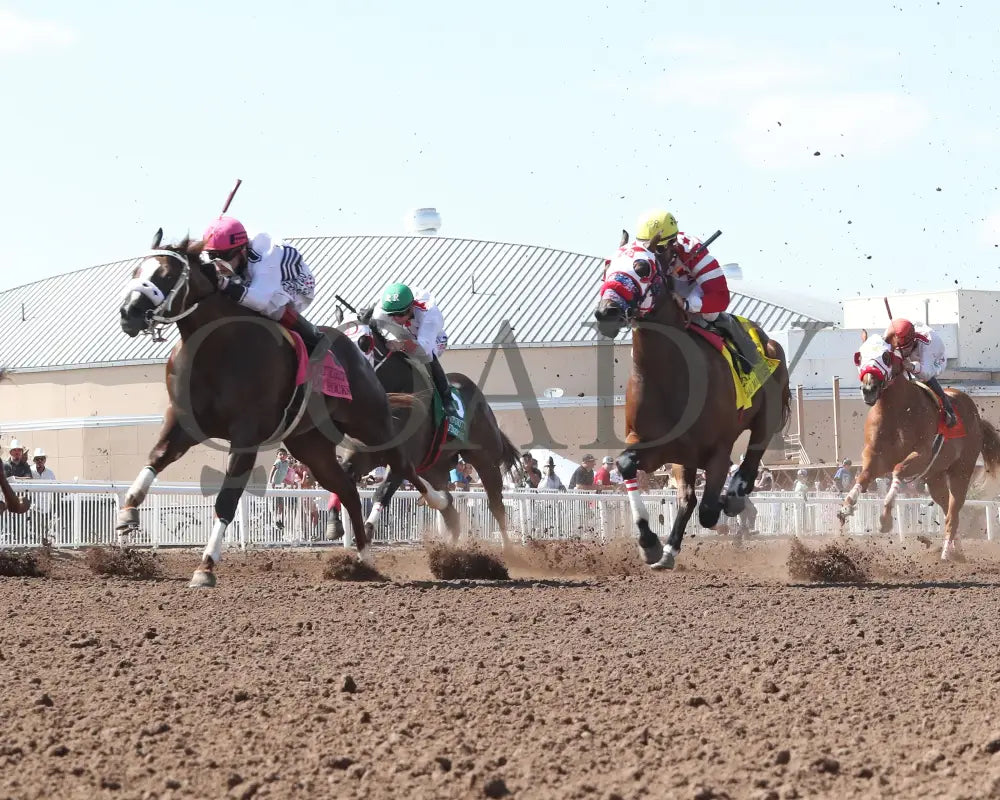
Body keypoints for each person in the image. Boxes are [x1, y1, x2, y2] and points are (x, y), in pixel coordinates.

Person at [635, 208, 758, 372]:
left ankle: (741, 344)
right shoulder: (635, 255)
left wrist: (686, 305)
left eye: (658, 249)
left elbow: (720, 297)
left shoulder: (692, 250)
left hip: (693, 284)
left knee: (710, 314)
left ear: (673, 243)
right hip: (666, 285)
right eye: (647, 249)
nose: (651, 256)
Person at [201, 216, 325, 352]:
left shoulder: (267, 253)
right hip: (252, 277)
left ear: (242, 250)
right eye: (213, 255)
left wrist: (224, 284)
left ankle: (314, 337)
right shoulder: (234, 255)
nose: (219, 264)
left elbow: (260, 300)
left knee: (269, 305)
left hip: (297, 286)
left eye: (225, 256)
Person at [372, 283, 456, 417]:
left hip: (432, 340)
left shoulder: (430, 316)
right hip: (405, 333)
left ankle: (447, 397)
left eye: (399, 314)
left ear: (411, 307)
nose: (394, 318)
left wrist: (400, 345)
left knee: (426, 357)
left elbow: (424, 348)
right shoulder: (383, 310)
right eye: (391, 314)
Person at [883, 317, 955, 426]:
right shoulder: (889, 334)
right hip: (912, 351)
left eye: (903, 349)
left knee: (924, 379)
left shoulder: (929, 341)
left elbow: (926, 373)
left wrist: (912, 367)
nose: (901, 352)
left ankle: (948, 410)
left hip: (934, 361)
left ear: (912, 341)